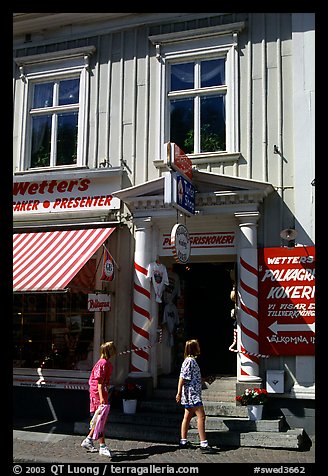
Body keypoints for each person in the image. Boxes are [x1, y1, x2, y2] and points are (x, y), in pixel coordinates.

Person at [176, 339, 216, 453]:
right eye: (197, 346)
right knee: (201, 417)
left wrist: (205, 379)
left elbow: (192, 377)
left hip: (191, 393)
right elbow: (182, 377)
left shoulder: (190, 361)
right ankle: (203, 443)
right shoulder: (189, 361)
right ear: (194, 348)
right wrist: (178, 392)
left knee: (187, 416)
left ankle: (183, 441)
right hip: (192, 394)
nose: (199, 348)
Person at [81, 341, 117, 457]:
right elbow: (99, 383)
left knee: (99, 419)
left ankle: (88, 439)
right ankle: (102, 446)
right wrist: (101, 398)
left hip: (101, 392)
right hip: (98, 393)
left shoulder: (105, 363)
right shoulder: (103, 364)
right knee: (101, 418)